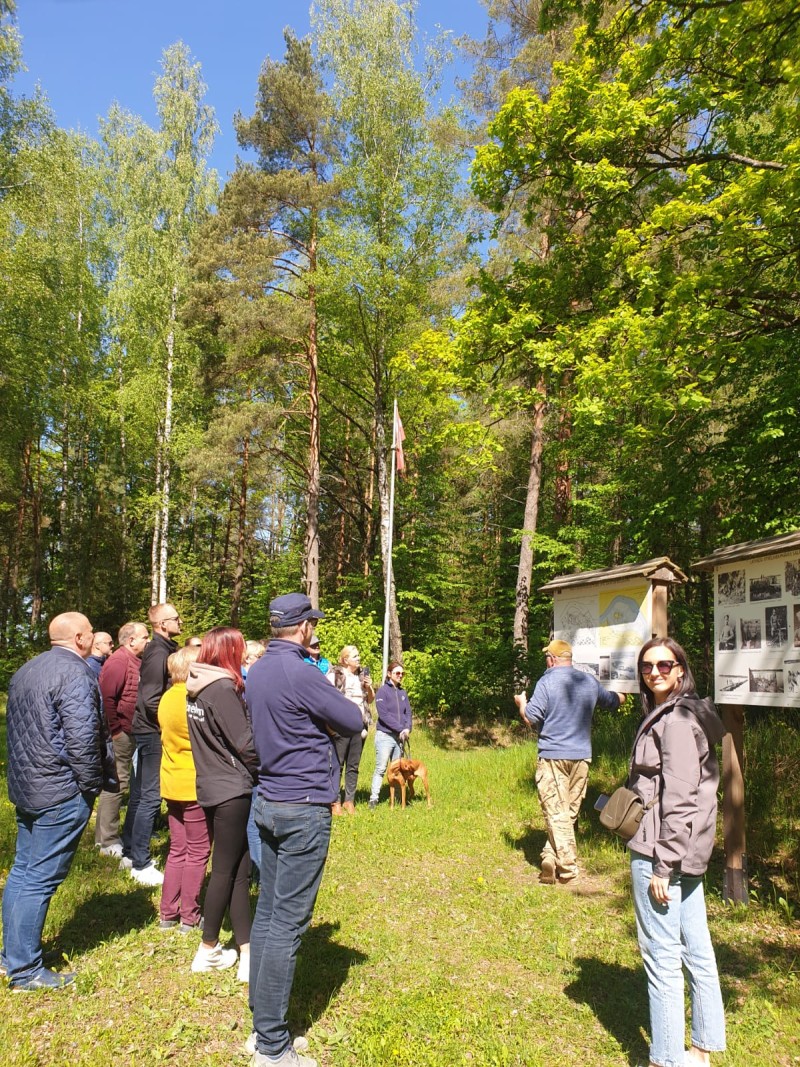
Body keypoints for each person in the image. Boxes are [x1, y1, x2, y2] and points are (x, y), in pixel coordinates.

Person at [245, 593, 363, 1067]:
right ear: (304, 626)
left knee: (268, 913)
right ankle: (272, 1046)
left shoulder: (259, 670)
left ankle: (261, 1022)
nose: (315, 629)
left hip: (268, 800)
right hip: (303, 807)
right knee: (288, 925)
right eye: (313, 623)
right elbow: (353, 719)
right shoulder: (300, 671)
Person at [1, 612, 116, 990]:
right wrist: (90, 786)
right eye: (90, 632)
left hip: (28, 785)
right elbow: (83, 739)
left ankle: (13, 955)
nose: (93, 637)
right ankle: (24, 970)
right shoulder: (76, 674)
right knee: (38, 878)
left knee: (24, 870)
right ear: (80, 637)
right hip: (60, 789)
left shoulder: (27, 669)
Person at [629, 638, 726, 1067]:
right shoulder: (687, 712)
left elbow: (681, 799)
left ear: (681, 669)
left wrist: (662, 866)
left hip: (661, 851)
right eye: (647, 666)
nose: (655, 672)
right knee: (696, 948)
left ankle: (665, 1059)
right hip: (688, 851)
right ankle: (701, 1049)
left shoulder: (677, 722)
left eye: (665, 665)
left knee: (661, 958)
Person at [514, 639, 625, 884]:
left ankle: (568, 869)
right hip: (581, 757)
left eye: (547, 657)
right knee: (568, 812)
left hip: (553, 757)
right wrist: (625, 692)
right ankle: (549, 855)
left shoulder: (546, 682)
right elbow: (614, 701)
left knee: (557, 813)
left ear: (552, 659)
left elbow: (531, 718)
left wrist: (522, 704)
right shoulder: (588, 681)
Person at [186, 627, 259, 980]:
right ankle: (208, 948)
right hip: (231, 789)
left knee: (240, 872)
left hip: (210, 785)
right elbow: (245, 744)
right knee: (224, 871)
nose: (243, 654)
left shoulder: (195, 687)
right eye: (240, 648)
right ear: (228, 651)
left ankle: (247, 952)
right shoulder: (222, 689)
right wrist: (268, 769)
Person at [125, 603, 182, 885]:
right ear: (162, 624)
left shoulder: (166, 648)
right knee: (150, 796)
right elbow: (150, 699)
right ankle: (140, 863)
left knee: (142, 794)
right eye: (175, 618)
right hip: (152, 732)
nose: (180, 621)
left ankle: (129, 850)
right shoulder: (158, 652)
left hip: (151, 730)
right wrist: (168, 724)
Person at [157, 644, 210, 933]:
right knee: (198, 850)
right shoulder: (192, 700)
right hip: (192, 782)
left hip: (171, 780)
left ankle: (168, 912)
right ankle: (190, 915)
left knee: (178, 849)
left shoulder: (167, 697)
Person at [95, 621, 150, 857]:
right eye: (145, 637)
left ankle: (108, 836)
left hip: (131, 730)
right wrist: (116, 730)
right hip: (120, 733)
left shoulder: (134, 660)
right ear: (131, 640)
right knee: (116, 783)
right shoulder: (119, 662)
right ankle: (107, 841)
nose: (148, 641)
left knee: (121, 781)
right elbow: (106, 699)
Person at [330, 646, 374, 814]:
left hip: (359, 726)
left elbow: (370, 700)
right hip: (341, 725)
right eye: (355, 656)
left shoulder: (361, 676)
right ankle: (335, 801)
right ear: (345, 659)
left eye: (358, 655)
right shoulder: (336, 674)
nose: (358, 658)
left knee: (353, 765)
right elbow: (328, 698)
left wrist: (369, 687)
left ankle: (349, 801)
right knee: (338, 764)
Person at [368, 661, 412, 809]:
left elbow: (408, 713)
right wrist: (401, 728)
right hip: (385, 736)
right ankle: (374, 799)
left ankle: (399, 799)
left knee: (398, 769)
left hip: (400, 737)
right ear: (389, 674)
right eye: (397, 673)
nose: (400, 675)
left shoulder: (403, 692)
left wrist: (407, 729)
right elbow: (384, 715)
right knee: (381, 768)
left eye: (402, 673)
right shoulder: (382, 692)